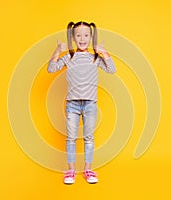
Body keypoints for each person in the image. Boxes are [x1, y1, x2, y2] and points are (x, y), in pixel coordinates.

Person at [47, 21, 116, 184]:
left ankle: (88, 170)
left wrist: (104, 53)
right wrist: (57, 51)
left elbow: (112, 70)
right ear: (73, 37)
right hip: (72, 104)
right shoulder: (69, 57)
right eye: (78, 35)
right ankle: (70, 171)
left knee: (89, 137)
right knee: (71, 138)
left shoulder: (95, 58)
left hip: (90, 103)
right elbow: (51, 68)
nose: (82, 38)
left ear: (91, 37)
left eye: (86, 35)